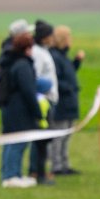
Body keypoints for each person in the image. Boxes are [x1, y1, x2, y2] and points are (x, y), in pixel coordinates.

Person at [0, 19, 43, 188]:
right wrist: (37, 111)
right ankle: (11, 176)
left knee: (10, 141)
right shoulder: (22, 65)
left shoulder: (9, 59)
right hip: (19, 110)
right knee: (18, 142)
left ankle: (10, 173)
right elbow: (28, 91)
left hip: (10, 107)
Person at [47, 25, 84, 175]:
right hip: (61, 103)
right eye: (69, 37)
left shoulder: (63, 56)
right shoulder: (55, 57)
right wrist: (69, 88)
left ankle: (64, 164)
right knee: (58, 136)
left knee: (67, 135)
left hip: (70, 102)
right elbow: (55, 79)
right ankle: (56, 166)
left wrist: (77, 62)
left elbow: (69, 72)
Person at [29, 19, 59, 185]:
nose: (53, 38)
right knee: (40, 140)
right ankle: (36, 171)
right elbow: (36, 77)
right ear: (44, 37)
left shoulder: (44, 51)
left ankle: (40, 170)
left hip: (50, 100)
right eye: (51, 35)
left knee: (45, 140)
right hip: (43, 101)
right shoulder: (37, 53)